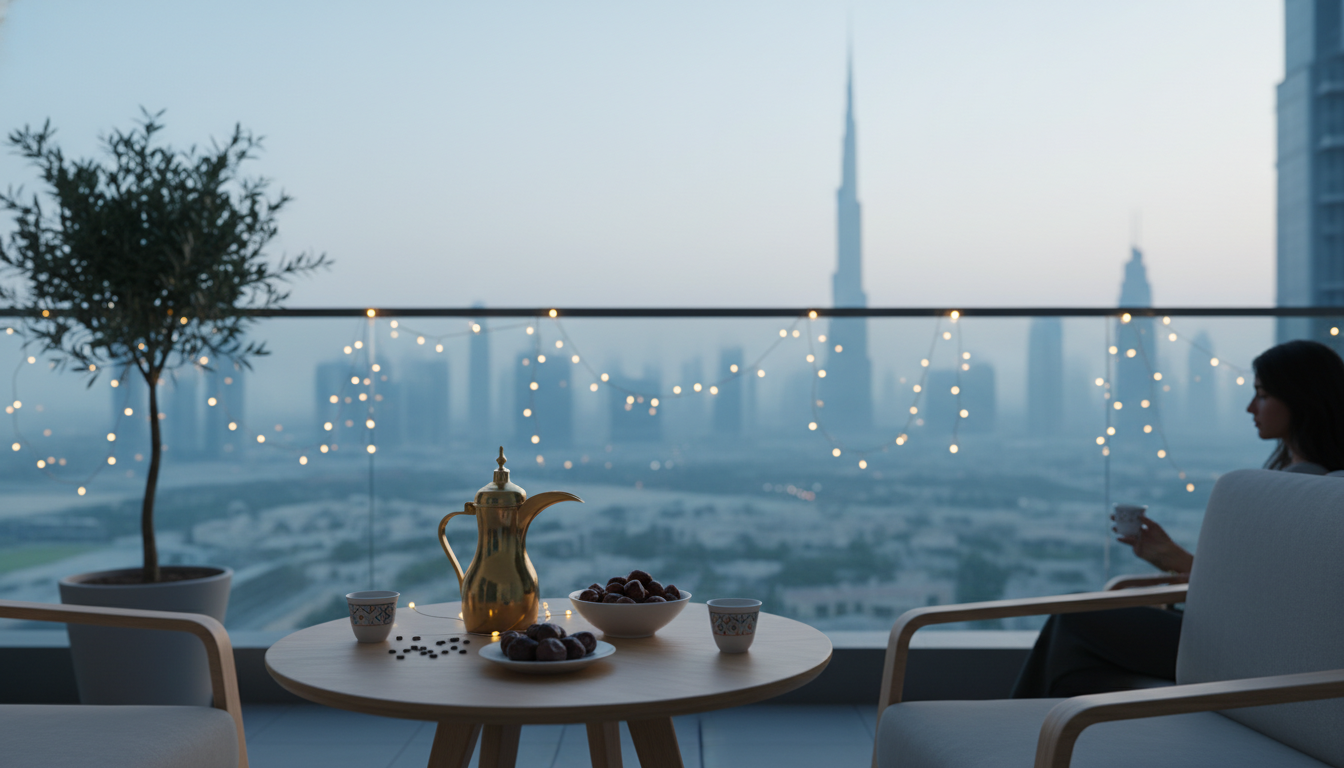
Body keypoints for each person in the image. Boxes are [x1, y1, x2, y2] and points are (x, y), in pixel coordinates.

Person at [1010, 339, 1344, 698]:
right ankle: (1040, 734)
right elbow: (1265, 585)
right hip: (1253, 637)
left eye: (1262, 395)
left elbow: (1265, 595)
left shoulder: (1299, 487)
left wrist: (1177, 561)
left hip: (1244, 646)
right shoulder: (1312, 484)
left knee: (1075, 616)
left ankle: (1025, 731)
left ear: (1301, 398)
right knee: (1075, 647)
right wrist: (1173, 558)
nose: (1250, 407)